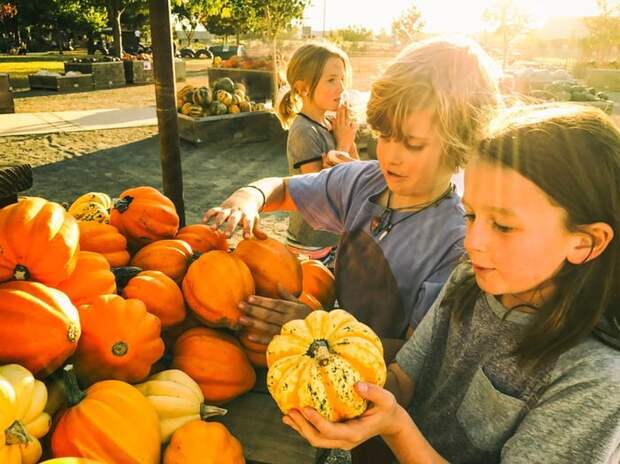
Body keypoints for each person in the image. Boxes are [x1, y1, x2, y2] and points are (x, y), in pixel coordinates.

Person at [281, 103, 620, 464]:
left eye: (503, 226)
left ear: (586, 242)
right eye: (471, 215)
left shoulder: (594, 379)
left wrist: (394, 426)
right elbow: (404, 378)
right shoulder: (470, 280)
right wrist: (338, 389)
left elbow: (398, 417)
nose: (472, 241)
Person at [204, 36, 501, 363]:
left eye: (413, 144)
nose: (391, 156)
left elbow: (415, 355)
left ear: (461, 144)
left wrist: (319, 331)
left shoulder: (455, 242)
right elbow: (285, 189)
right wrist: (250, 197)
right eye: (385, 136)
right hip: (321, 358)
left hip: (375, 389)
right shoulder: (363, 181)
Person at [276, 42, 358, 262]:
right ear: (303, 88)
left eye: (342, 79)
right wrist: (340, 146)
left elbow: (357, 174)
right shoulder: (304, 131)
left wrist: (348, 140)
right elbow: (315, 194)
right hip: (311, 243)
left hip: (333, 235)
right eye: (331, 80)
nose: (341, 88)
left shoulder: (331, 122)